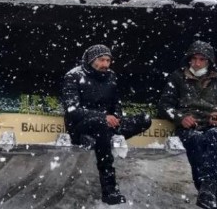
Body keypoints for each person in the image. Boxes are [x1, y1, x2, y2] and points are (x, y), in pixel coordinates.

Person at [61, 44, 152, 205]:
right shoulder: (73, 76)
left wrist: (115, 117)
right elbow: (72, 110)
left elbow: (116, 104)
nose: (105, 64)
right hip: (80, 125)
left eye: (108, 60)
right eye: (101, 60)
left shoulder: (111, 76)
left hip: (105, 124)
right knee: (101, 126)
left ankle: (98, 138)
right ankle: (109, 189)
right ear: (91, 61)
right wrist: (103, 117)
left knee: (144, 119)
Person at [158, 41, 217, 209]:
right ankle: (209, 190)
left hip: (214, 125)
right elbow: (164, 105)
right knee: (195, 140)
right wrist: (181, 118)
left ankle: (206, 190)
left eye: (201, 59)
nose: (196, 63)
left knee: (215, 137)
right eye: (193, 59)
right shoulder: (177, 77)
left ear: (209, 61)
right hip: (189, 126)